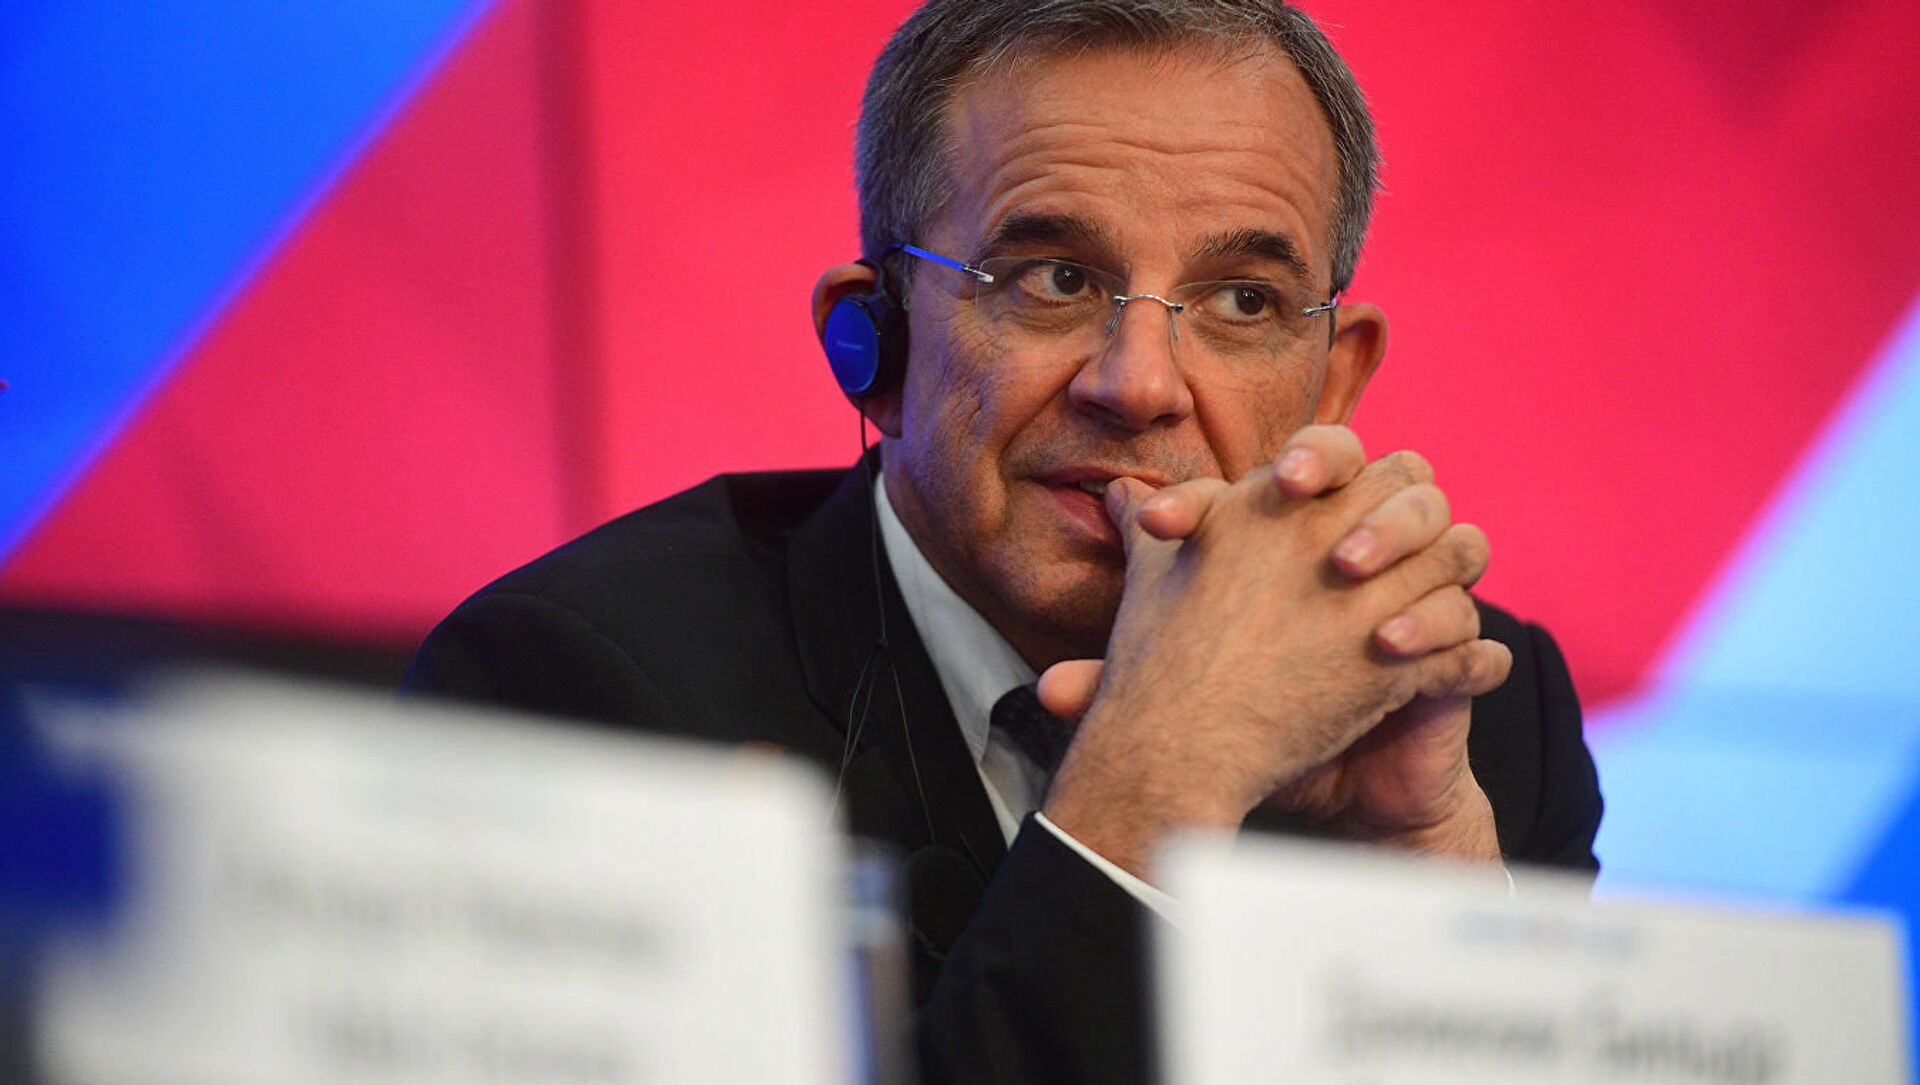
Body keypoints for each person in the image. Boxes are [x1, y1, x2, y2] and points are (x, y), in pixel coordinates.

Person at [405, 2, 1603, 1082]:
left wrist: (1440, 907)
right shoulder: (587, 697)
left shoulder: (1467, 719)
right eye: (1054, 278)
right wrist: (1154, 782)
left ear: (1331, 381)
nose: (1139, 385)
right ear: (873, 345)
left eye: (1243, 301)